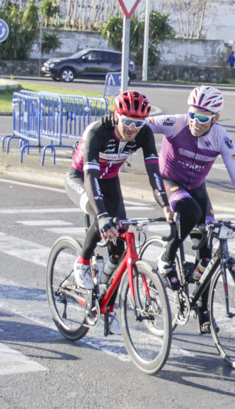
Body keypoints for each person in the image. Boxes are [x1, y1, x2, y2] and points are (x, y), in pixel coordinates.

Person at [144, 85, 235, 333]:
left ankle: (201, 310)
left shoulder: (221, 138)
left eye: (203, 117)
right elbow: (139, 125)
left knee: (207, 251)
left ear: (216, 117)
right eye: (192, 114)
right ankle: (165, 259)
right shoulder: (175, 123)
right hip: (169, 181)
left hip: (196, 187)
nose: (195, 121)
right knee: (190, 211)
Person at [65, 90, 168, 293]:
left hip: (110, 180)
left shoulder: (144, 133)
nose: (132, 129)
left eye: (138, 123)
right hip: (81, 178)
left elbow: (154, 173)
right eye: (127, 121)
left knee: (120, 243)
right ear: (116, 116)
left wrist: (165, 205)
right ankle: (82, 261)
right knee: (101, 216)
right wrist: (102, 215)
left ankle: (105, 288)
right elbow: (90, 177)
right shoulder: (97, 132)